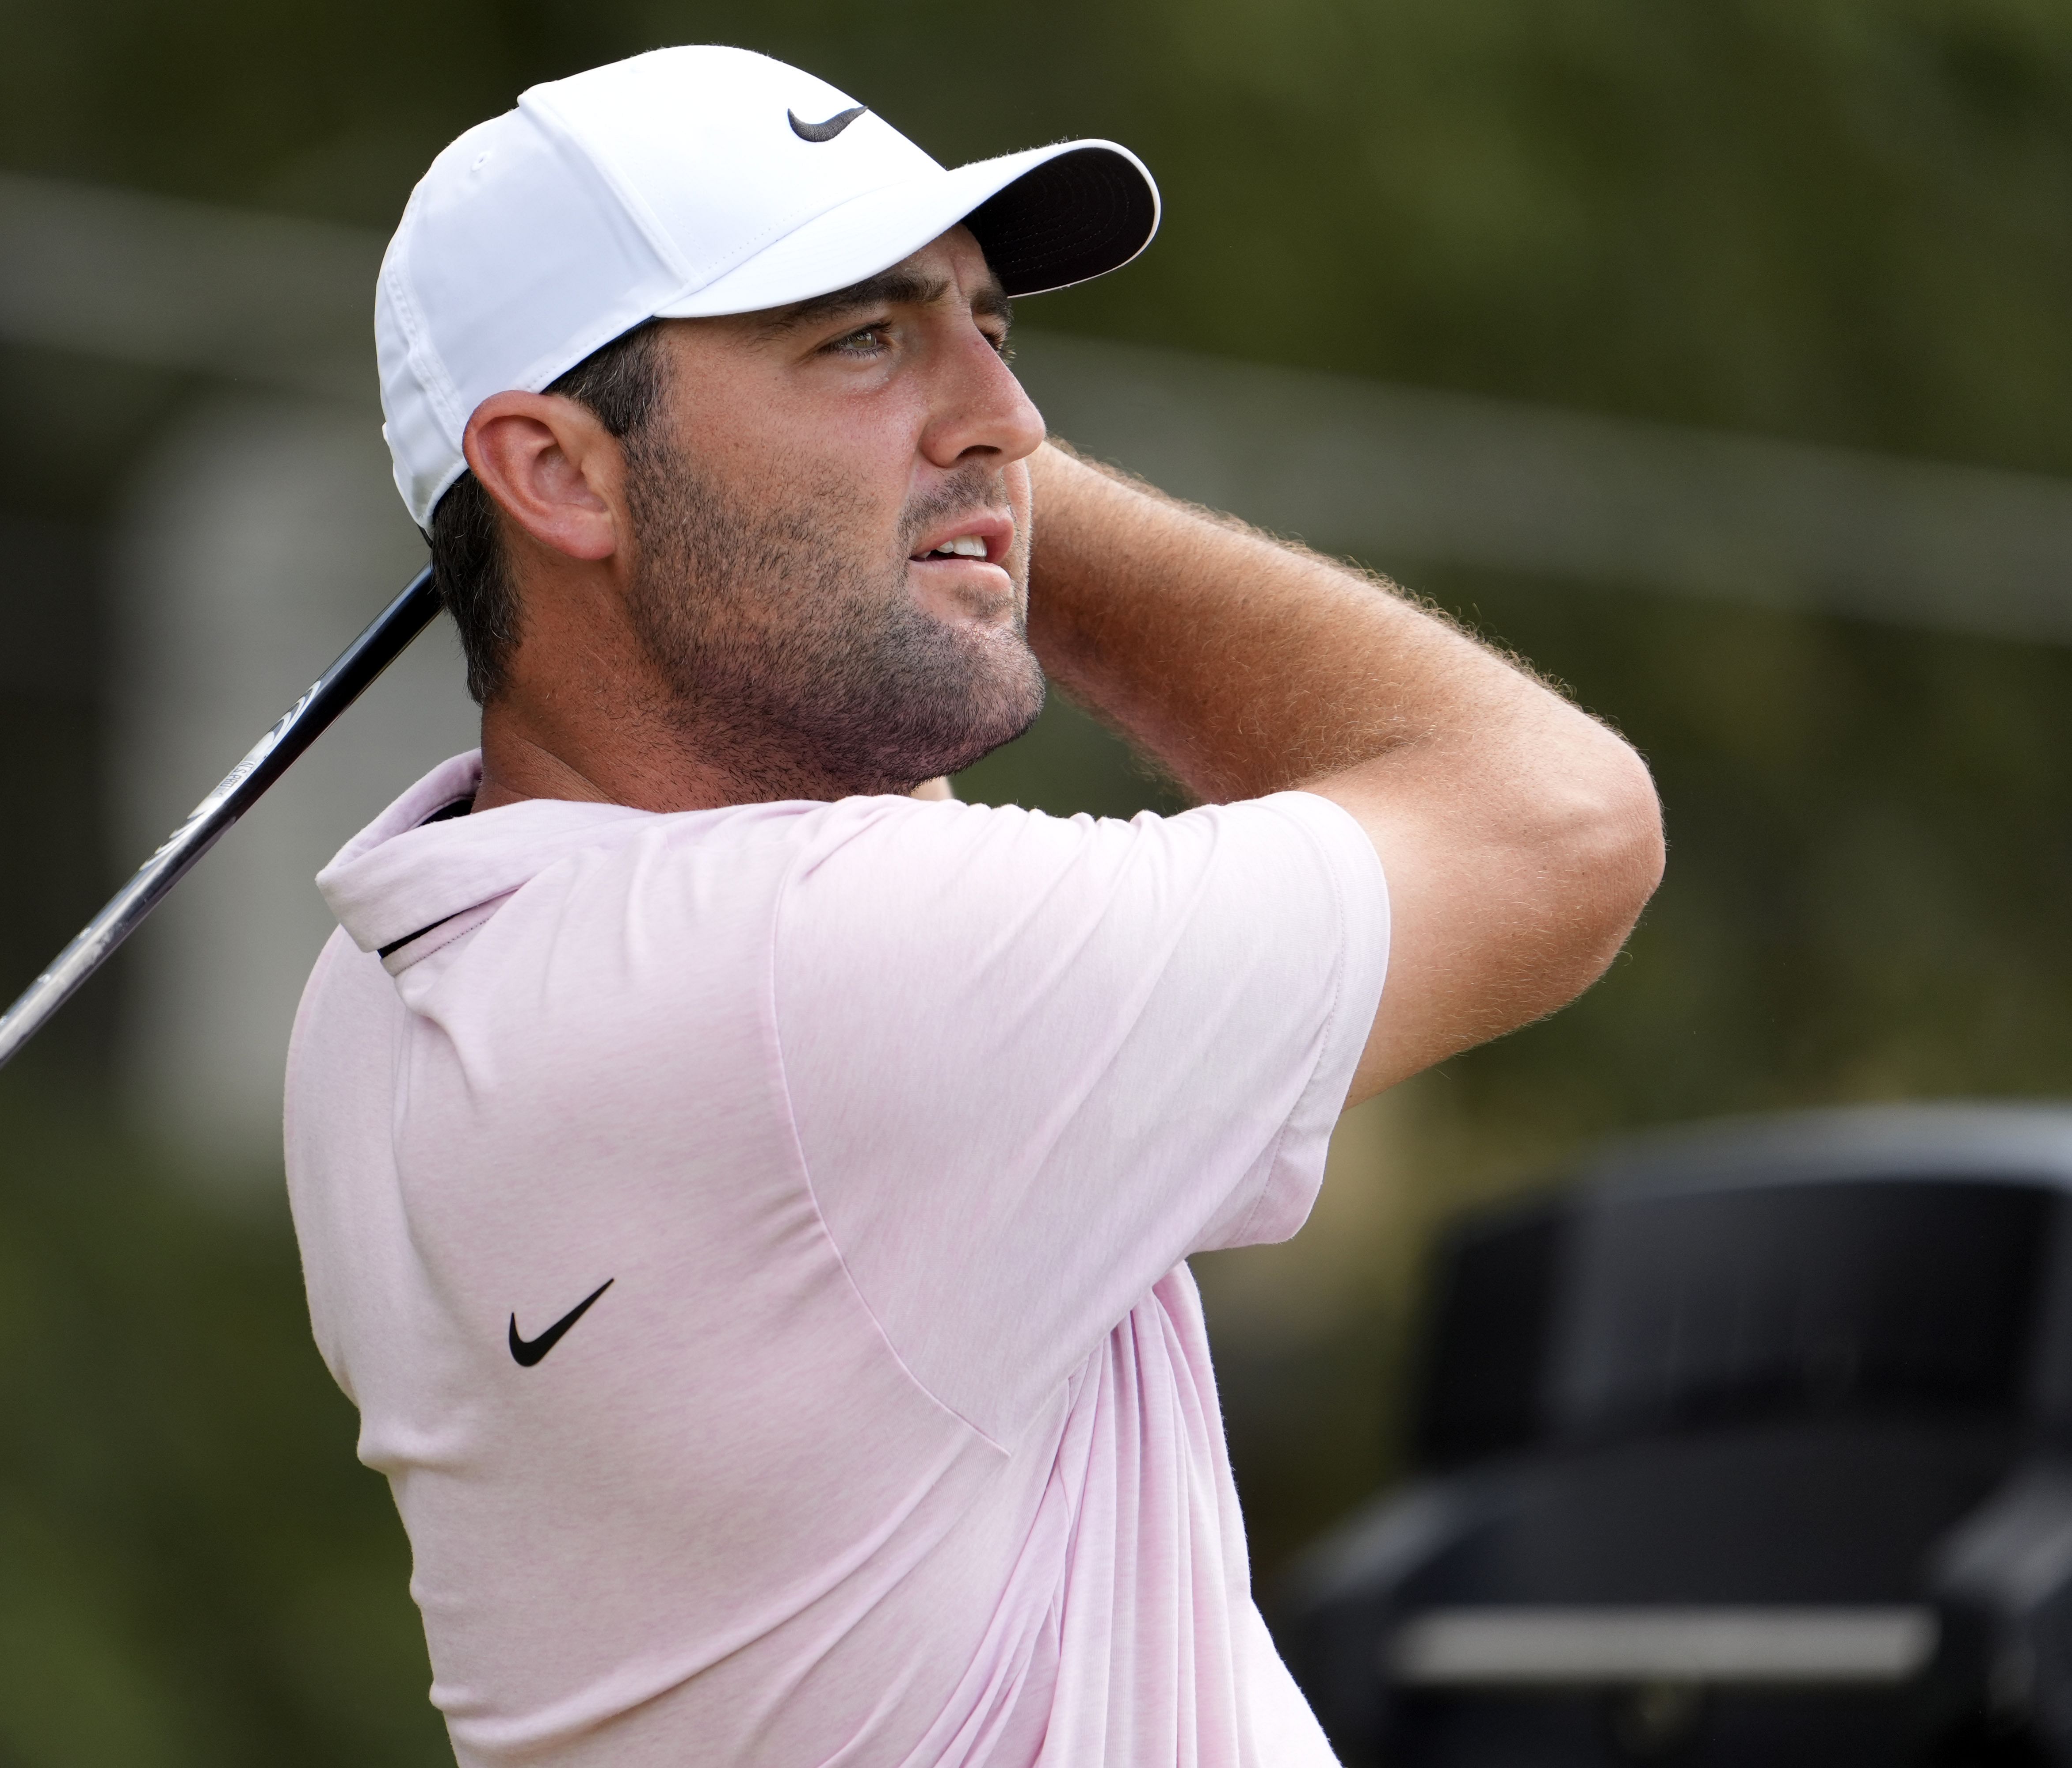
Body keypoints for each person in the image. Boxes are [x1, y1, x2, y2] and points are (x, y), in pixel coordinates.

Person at [284, 44, 1662, 1768]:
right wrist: (994, 515)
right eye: (861, 337)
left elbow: (829, 764)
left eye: (989, 330)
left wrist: (909, 489)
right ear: (557, 472)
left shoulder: (378, 1001)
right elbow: (1561, 823)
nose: (1010, 419)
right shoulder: (810, 980)